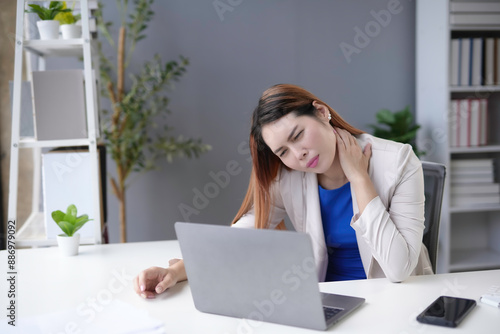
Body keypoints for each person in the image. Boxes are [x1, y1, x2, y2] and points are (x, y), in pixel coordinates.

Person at [134, 84, 433, 299]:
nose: (298, 155)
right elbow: (243, 235)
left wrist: (359, 177)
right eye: (283, 152)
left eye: (298, 135)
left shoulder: (399, 162)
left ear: (321, 112)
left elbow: (397, 269)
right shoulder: (291, 176)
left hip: (394, 301)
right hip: (329, 300)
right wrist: (174, 271)